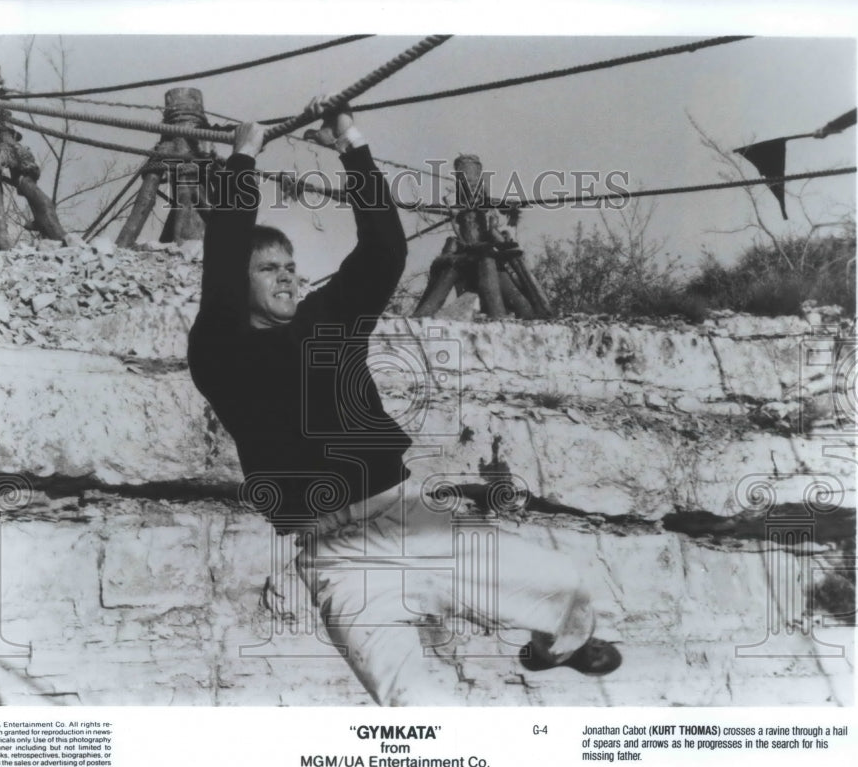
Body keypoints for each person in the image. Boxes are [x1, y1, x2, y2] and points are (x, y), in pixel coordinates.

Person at [188, 97, 621, 706]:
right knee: (412, 703)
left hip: (413, 520)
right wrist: (243, 158)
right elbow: (223, 250)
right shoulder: (218, 350)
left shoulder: (326, 321)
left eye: (291, 265)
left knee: (568, 587)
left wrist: (351, 144)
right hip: (338, 557)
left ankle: (560, 647)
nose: (288, 276)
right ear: (239, 282)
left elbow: (384, 251)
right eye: (267, 269)